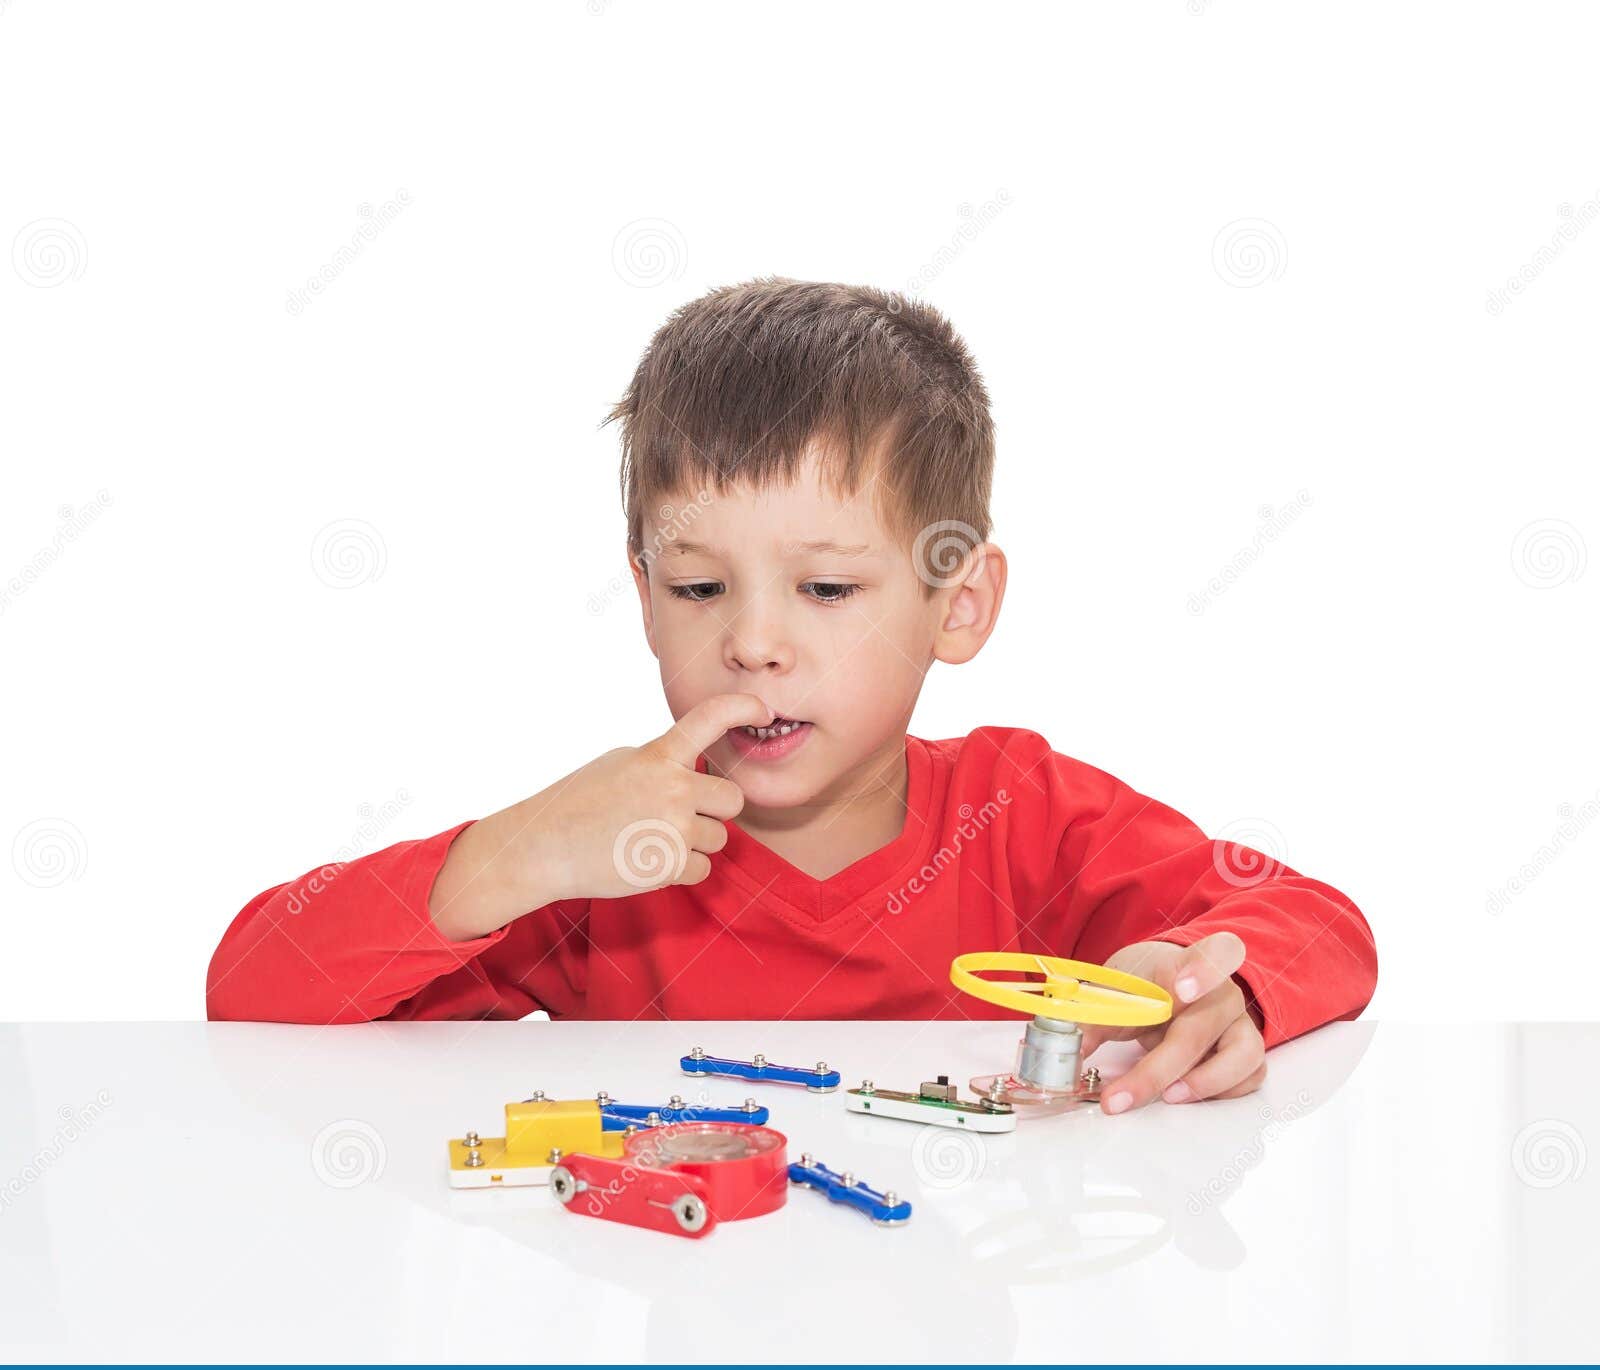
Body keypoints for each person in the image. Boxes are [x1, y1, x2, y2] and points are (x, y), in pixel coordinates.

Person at [207, 279, 1377, 1113]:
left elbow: (1322, 924)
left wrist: (1205, 983)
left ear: (956, 606)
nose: (753, 642)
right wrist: (511, 856)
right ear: (645, 595)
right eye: (700, 585)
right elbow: (251, 991)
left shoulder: (1023, 812)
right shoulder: (607, 861)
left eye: (825, 586)